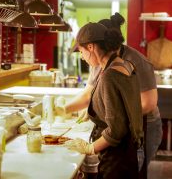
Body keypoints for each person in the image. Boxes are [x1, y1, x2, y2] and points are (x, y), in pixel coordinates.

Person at [65, 13, 163, 168]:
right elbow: (88, 95)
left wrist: (113, 117)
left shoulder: (132, 63)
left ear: (94, 46)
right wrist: (63, 109)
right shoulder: (100, 62)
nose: (82, 58)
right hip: (121, 132)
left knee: (136, 168)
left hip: (145, 125)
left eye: (82, 52)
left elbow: (148, 104)